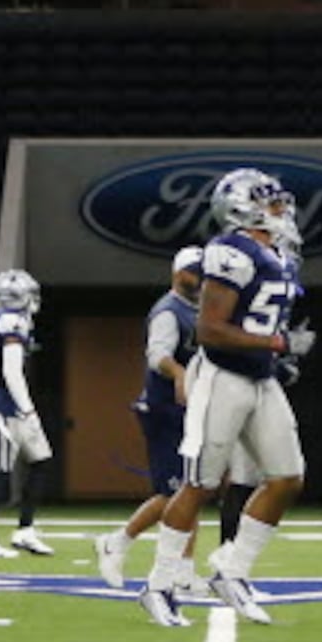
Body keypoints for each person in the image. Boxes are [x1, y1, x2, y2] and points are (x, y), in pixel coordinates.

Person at [139, 169, 317, 627]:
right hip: (221, 376)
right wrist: (276, 345)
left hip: (261, 379)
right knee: (198, 484)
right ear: (242, 208)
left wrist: (277, 351)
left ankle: (231, 570)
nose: (281, 210)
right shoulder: (228, 252)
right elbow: (210, 330)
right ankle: (158, 584)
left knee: (288, 477)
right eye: (270, 203)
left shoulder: (279, 253)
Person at [96, 248, 206, 589]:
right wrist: (178, 374)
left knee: (194, 487)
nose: (201, 278)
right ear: (177, 274)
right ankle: (117, 541)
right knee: (172, 491)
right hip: (165, 409)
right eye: (194, 272)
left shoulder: (203, 310)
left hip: (190, 409)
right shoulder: (168, 311)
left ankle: (184, 569)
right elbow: (158, 354)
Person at [0, 268, 55, 561]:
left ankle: (25, 530)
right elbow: (11, 371)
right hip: (2, 404)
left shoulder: (6, 319)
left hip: (10, 402)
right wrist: (28, 409)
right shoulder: (11, 321)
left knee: (41, 460)